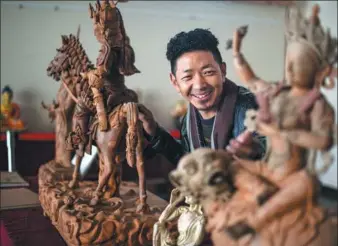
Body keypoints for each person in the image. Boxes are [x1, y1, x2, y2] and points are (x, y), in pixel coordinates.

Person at [139, 28, 266, 165]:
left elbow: (273, 156)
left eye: (208, 72)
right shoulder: (188, 119)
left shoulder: (252, 109)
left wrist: (255, 153)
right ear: (175, 82)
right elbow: (190, 163)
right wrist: (154, 131)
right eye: (187, 77)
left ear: (222, 71)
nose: (199, 85)